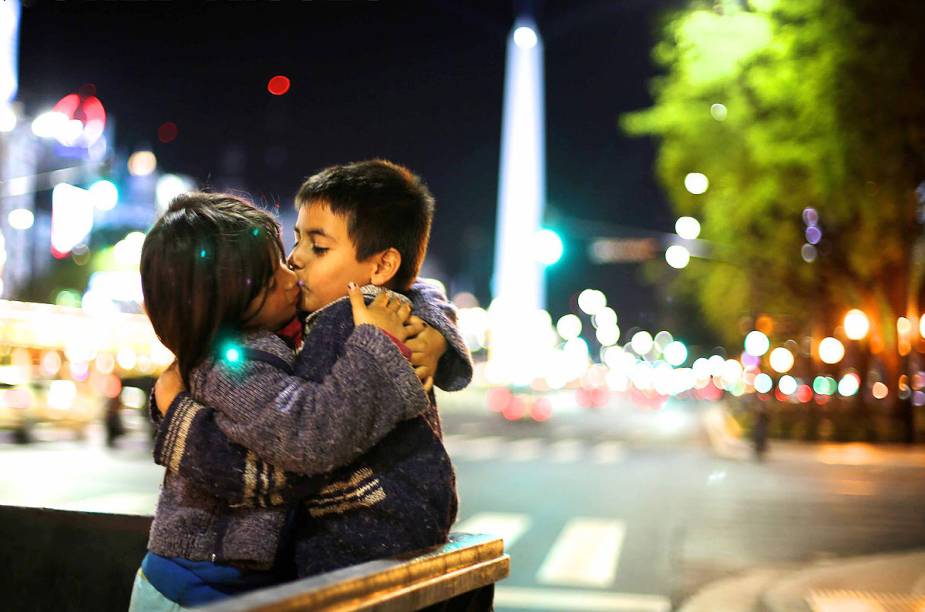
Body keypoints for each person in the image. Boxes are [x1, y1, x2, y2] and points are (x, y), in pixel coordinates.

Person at [129, 190, 465, 610]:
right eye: (272, 281)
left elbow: (417, 290)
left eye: (285, 261)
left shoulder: (280, 321)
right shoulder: (230, 366)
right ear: (227, 309)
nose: (293, 278)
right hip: (197, 590)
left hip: (245, 585)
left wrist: (431, 335)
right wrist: (378, 346)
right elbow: (309, 435)